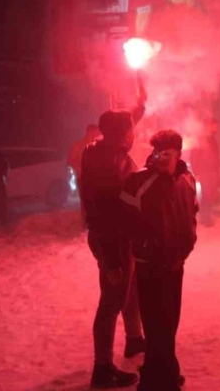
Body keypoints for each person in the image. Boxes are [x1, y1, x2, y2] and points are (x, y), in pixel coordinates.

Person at [120, 130, 198, 391]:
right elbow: (128, 218)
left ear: (178, 152)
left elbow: (191, 212)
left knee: (166, 322)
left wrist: (188, 243)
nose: (162, 157)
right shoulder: (139, 180)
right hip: (151, 263)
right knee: (158, 323)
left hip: (174, 262)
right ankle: (160, 378)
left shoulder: (186, 178)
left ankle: (160, 375)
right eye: (158, 152)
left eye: (167, 152)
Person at [80, 102, 147, 388]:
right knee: (111, 302)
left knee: (130, 291)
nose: (134, 135)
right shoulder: (106, 164)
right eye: (130, 130)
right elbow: (102, 213)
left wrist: (138, 107)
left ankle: (134, 339)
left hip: (122, 237)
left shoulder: (107, 150)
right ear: (122, 135)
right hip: (112, 240)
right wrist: (109, 259)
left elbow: (122, 129)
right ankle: (103, 368)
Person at [191, 117, 220, 227]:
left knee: (210, 194)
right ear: (209, 126)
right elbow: (194, 156)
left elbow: (215, 156)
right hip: (205, 172)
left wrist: (217, 170)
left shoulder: (212, 139)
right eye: (215, 125)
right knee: (206, 195)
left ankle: (207, 217)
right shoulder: (202, 139)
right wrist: (197, 172)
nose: (216, 127)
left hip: (212, 171)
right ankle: (205, 218)